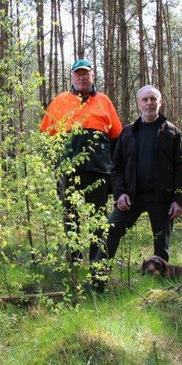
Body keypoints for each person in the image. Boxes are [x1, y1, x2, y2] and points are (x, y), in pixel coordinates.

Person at [91, 85, 182, 290]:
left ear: (160, 102)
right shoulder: (128, 132)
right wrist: (120, 194)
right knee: (110, 231)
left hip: (162, 198)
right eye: (145, 100)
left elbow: (181, 168)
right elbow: (116, 168)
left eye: (153, 99)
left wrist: (179, 200)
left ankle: (161, 291)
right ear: (139, 103)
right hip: (132, 197)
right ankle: (97, 283)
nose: (149, 103)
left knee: (161, 246)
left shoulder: (171, 132)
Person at [40, 59, 123, 262]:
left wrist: (115, 171)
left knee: (98, 217)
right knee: (71, 217)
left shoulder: (104, 101)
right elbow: (46, 136)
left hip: (99, 171)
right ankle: (74, 261)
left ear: (92, 76)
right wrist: (53, 165)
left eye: (86, 73)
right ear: (72, 77)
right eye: (78, 74)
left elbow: (117, 137)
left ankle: (97, 261)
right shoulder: (60, 101)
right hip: (69, 171)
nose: (82, 77)